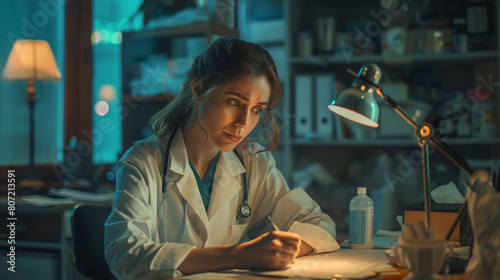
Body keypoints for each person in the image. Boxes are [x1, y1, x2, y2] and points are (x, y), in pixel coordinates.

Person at [104, 37, 340, 279]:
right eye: (234, 102)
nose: (244, 123)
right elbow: (126, 253)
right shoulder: (143, 162)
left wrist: (282, 249)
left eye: (257, 109)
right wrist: (240, 255)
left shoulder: (253, 162)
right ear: (198, 90)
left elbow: (318, 224)